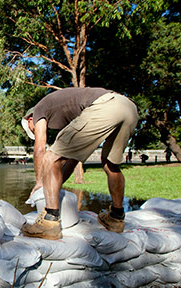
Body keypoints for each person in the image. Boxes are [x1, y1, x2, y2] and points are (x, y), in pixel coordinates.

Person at [20, 87, 138, 239]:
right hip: (128, 107)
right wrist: (55, 183)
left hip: (106, 105)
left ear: (30, 119)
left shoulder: (38, 110)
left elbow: (40, 149)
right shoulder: (68, 113)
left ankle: (49, 223)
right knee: (110, 164)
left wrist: (39, 182)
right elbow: (72, 158)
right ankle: (116, 217)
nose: (35, 131)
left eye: (32, 130)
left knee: (50, 157)